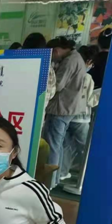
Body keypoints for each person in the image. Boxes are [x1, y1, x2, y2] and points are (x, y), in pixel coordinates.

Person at [42, 37, 86, 187]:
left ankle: (48, 181)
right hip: (69, 108)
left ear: (56, 50)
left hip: (61, 108)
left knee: (52, 144)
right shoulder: (76, 57)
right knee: (58, 144)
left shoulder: (69, 61)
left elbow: (58, 85)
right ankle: (55, 178)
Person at [60, 46, 100, 181]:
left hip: (66, 115)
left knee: (66, 146)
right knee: (84, 148)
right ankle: (89, 175)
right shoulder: (87, 77)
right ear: (88, 61)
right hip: (81, 118)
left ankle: (62, 172)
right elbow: (90, 100)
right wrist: (100, 93)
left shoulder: (70, 70)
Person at [23, 32, 56, 110]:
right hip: (38, 111)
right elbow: (51, 93)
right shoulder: (48, 67)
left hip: (18, 107)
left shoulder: (20, 64)